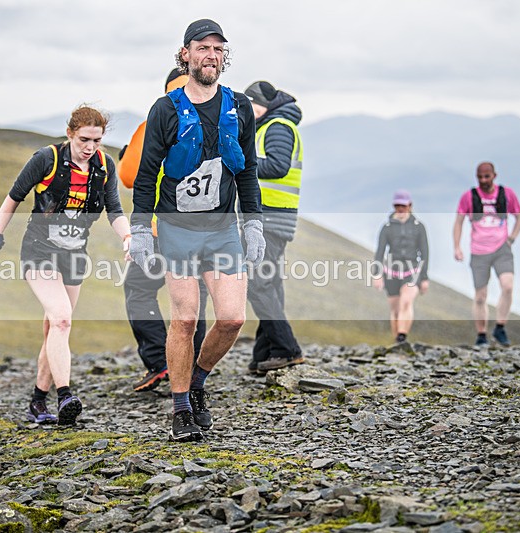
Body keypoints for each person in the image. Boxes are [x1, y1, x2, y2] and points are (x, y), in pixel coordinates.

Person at [129, 19, 264, 442]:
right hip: (177, 229)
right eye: (202, 47)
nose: (211, 55)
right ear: (185, 54)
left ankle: (199, 381)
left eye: (218, 49)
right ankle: (181, 408)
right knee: (185, 318)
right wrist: (138, 230)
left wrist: (254, 222)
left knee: (232, 318)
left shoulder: (239, 107)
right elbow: (147, 173)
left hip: (223, 229)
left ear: (224, 57)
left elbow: (248, 171)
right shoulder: (165, 109)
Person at [0, 105, 130, 426]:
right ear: (70, 134)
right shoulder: (46, 160)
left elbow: (114, 210)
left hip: (75, 255)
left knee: (54, 327)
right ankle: (65, 395)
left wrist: (127, 237)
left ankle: (38, 400)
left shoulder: (104, 166)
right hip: (39, 251)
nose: (90, 147)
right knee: (62, 320)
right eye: (84, 140)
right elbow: (12, 199)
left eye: (97, 141)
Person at [119, 68, 208, 392]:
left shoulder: (155, 121)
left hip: (161, 229)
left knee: (139, 290)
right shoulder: (217, 120)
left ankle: (161, 360)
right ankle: (194, 366)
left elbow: (129, 176)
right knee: (194, 300)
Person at [243, 80, 305, 373]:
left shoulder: (277, 126)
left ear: (263, 104)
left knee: (258, 283)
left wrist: (242, 164)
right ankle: (264, 353)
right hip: (272, 216)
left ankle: (287, 349)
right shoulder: (272, 125)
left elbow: (278, 166)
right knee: (269, 282)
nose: (246, 109)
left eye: (250, 103)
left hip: (271, 216)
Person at [454, 162, 520, 346]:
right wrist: (457, 246)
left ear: (494, 175)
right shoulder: (469, 197)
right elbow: (459, 222)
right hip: (479, 251)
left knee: (507, 286)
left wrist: (512, 238)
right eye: (480, 177)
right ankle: (481, 334)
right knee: (480, 296)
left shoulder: (507, 194)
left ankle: (500, 327)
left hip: (502, 248)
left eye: (487, 176)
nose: (484, 181)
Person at [372, 190, 430, 343]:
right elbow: (380, 251)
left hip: (412, 270)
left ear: (410, 206)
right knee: (395, 309)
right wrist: (377, 274)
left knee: (406, 301)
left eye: (403, 206)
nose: (400, 209)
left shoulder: (419, 227)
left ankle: (402, 335)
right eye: (397, 206)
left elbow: (425, 252)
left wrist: (424, 277)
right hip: (391, 270)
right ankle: (397, 341)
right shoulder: (387, 227)